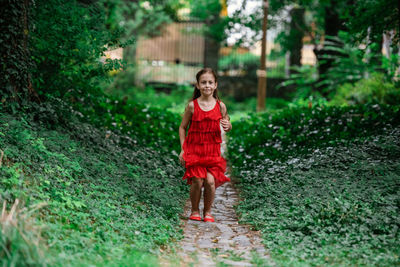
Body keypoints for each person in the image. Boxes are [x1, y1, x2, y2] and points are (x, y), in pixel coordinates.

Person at [179, 68, 232, 223]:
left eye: (210, 82)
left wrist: (228, 125)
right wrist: (183, 149)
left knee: (209, 181)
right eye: (203, 82)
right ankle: (194, 210)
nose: (207, 85)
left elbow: (226, 121)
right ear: (197, 85)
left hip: (211, 152)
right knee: (197, 179)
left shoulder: (220, 106)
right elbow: (182, 127)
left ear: (215, 85)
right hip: (194, 150)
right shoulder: (192, 106)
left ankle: (207, 212)